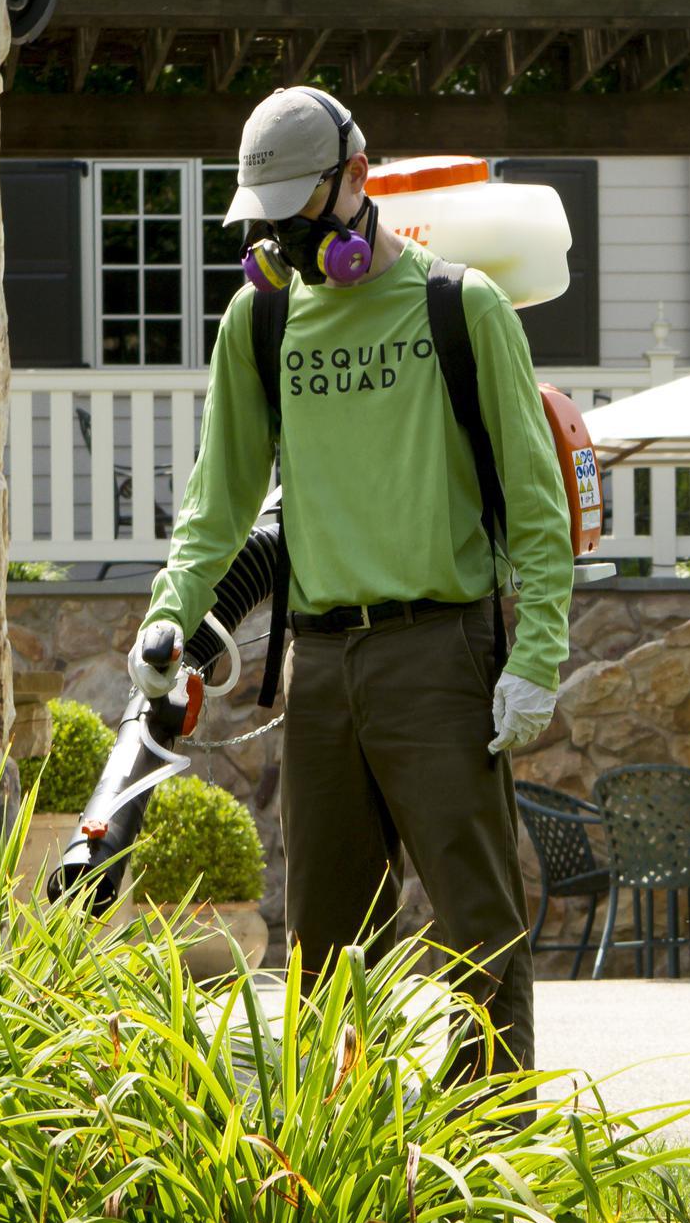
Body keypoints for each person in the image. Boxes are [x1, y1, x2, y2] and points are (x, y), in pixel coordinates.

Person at [131, 87, 573, 1069]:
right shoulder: (261, 322)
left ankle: (492, 1168)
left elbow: (534, 501)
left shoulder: (461, 308)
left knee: (478, 929)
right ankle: (344, 1173)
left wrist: (535, 654)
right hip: (320, 668)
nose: (283, 238)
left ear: (357, 179)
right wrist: (170, 618)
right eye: (268, 221)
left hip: (442, 654)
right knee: (328, 946)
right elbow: (219, 499)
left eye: (298, 211)